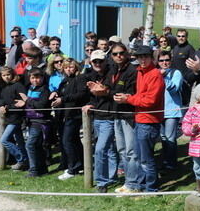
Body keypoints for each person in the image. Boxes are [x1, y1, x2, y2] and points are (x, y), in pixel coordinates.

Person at [114, 45, 163, 193]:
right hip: (140, 118)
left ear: (151, 57)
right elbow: (142, 97)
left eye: (145, 56)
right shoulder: (141, 72)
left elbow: (150, 100)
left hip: (149, 120)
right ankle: (141, 186)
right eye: (139, 57)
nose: (142, 60)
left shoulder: (154, 74)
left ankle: (151, 189)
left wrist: (129, 99)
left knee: (147, 159)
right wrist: (131, 98)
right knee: (141, 156)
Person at [104, 43, 140, 192]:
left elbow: (130, 91)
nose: (118, 56)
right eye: (115, 54)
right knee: (122, 150)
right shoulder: (112, 69)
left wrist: (115, 93)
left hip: (129, 115)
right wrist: (103, 89)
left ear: (126, 54)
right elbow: (109, 87)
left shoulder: (132, 70)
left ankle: (134, 183)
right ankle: (128, 181)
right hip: (116, 113)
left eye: (121, 53)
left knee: (132, 151)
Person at [85, 50, 118, 192]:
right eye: (95, 61)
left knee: (100, 149)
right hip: (96, 116)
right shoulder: (91, 75)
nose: (98, 64)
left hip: (109, 117)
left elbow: (110, 91)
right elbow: (88, 93)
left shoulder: (112, 74)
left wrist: (101, 90)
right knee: (109, 148)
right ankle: (111, 176)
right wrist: (89, 103)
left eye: (100, 61)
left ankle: (101, 181)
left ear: (106, 61)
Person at [54, 58, 89, 180]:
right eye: (66, 67)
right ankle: (80, 164)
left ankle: (72, 168)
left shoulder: (80, 78)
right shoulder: (65, 80)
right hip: (66, 114)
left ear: (76, 68)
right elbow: (62, 93)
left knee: (67, 140)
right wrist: (56, 94)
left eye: (71, 67)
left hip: (75, 114)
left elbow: (81, 94)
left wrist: (63, 99)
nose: (69, 69)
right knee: (73, 140)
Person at [22, 69, 52, 177]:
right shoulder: (29, 88)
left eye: (38, 77)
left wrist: (27, 100)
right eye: (33, 78)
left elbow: (41, 105)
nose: (35, 80)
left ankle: (33, 170)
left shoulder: (45, 90)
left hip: (40, 121)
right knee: (37, 146)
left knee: (30, 145)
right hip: (30, 120)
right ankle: (42, 168)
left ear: (43, 78)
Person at [0, 67, 28, 170]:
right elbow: (2, 99)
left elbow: (25, 100)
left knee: (4, 140)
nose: (6, 77)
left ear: (13, 74)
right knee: (20, 141)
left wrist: (10, 107)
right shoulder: (4, 87)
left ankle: (21, 159)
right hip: (9, 117)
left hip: (16, 117)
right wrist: (1, 106)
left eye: (8, 75)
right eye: (4, 75)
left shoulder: (18, 85)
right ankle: (25, 161)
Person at [158, 50, 183, 170]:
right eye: (161, 60)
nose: (164, 63)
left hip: (172, 111)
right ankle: (165, 160)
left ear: (171, 61)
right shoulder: (156, 73)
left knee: (170, 137)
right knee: (163, 137)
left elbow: (174, 89)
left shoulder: (176, 73)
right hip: (159, 110)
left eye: (167, 60)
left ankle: (171, 164)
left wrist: (164, 78)